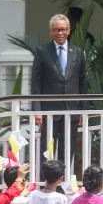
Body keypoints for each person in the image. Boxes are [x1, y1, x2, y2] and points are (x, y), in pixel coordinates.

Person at [31, 14, 88, 165]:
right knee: (46, 150)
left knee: (67, 149)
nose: (60, 33)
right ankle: (46, 185)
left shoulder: (77, 52)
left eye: (63, 29)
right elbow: (36, 82)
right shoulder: (42, 51)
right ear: (51, 31)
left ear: (69, 30)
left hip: (72, 111)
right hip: (49, 111)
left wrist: (83, 110)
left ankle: (64, 182)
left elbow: (83, 82)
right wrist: (37, 111)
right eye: (56, 30)